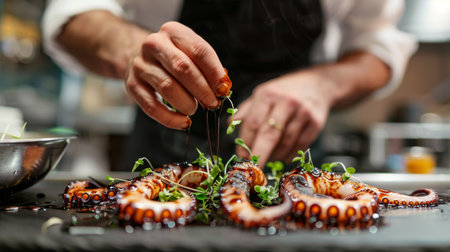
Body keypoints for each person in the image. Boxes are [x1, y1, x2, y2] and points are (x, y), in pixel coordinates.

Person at [42, 0, 416, 169]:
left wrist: (323, 84)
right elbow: (74, 13)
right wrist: (131, 49)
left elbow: (378, 43)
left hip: (295, 166)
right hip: (160, 164)